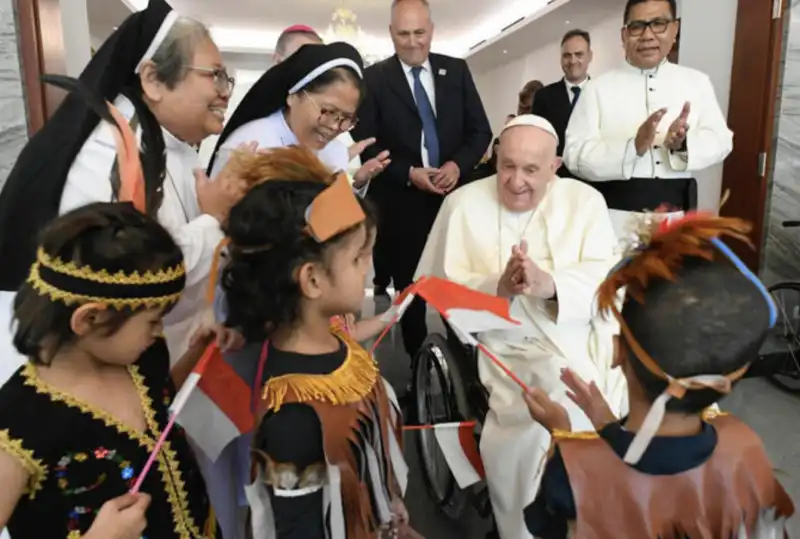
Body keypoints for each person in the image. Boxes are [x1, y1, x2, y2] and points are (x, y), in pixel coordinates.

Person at [0, 0, 249, 382]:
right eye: (214, 76)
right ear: (153, 79)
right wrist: (212, 219)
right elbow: (119, 273)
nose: (224, 92)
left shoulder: (172, 143)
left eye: (225, 78)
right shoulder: (110, 151)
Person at [415, 114, 627, 539]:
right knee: (549, 400)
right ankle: (529, 526)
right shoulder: (462, 203)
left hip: (583, 332)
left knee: (631, 392)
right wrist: (497, 287)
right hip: (507, 340)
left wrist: (549, 285)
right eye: (507, 165)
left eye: (531, 169)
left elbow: (609, 287)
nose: (515, 181)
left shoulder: (585, 202)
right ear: (494, 158)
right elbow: (439, 295)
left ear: (556, 166)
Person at [523, 215, 795, 538]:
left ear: (617, 350)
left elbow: (547, 528)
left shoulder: (571, 472)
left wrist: (560, 436)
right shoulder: (743, 444)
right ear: (731, 376)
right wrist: (607, 425)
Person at [0, 202, 239, 538]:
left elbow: (160, 401)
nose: (159, 333)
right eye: (153, 320)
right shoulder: (16, 424)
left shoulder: (140, 358)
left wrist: (197, 353)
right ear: (89, 318)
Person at [218, 146, 415, 539]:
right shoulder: (294, 417)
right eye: (360, 258)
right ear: (312, 280)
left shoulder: (335, 347)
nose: (369, 268)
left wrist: (386, 509)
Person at [353, 0, 492, 362]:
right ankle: (417, 363)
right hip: (402, 204)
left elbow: (480, 131)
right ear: (390, 34)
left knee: (458, 285)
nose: (413, 42)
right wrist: (409, 173)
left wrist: (457, 166)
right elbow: (368, 143)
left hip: (453, 200)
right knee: (410, 288)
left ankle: (467, 360)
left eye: (419, 32)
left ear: (431, 30)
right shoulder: (374, 79)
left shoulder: (456, 71)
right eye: (403, 34)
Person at [563, 0, 732, 240]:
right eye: (637, 26)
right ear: (624, 35)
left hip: (675, 223)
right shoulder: (597, 89)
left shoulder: (696, 82)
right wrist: (632, 148)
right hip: (611, 222)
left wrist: (681, 146)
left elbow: (722, 141)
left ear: (674, 30)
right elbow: (575, 154)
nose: (648, 35)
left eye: (658, 24)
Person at [207, 41, 388, 198]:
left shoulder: (335, 152)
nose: (334, 126)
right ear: (293, 96)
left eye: (346, 118)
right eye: (328, 111)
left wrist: (356, 186)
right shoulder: (247, 147)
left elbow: (335, 221)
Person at [531, 29, 592, 180]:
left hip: (596, 181)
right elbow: (537, 141)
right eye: (567, 55)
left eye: (579, 54)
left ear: (590, 56)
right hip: (556, 180)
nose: (572, 61)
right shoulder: (543, 96)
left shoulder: (602, 93)